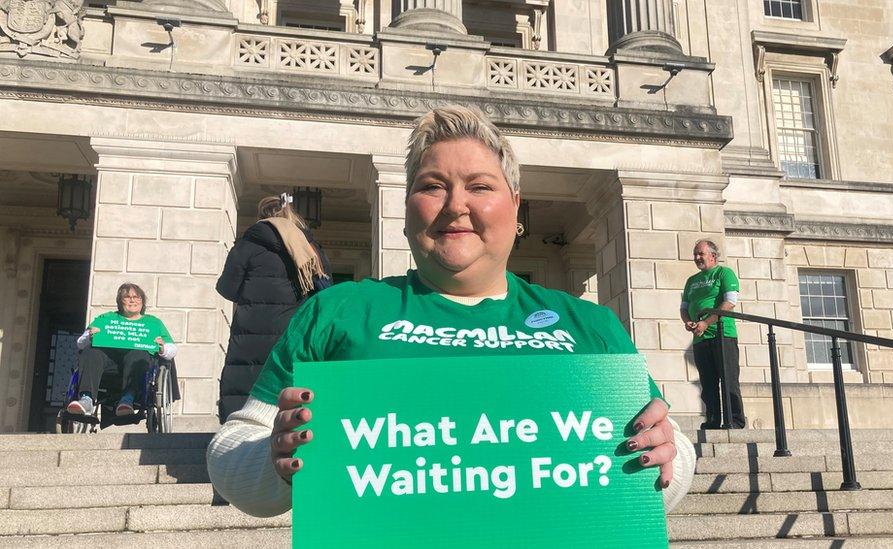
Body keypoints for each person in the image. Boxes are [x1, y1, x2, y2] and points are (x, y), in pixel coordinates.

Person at [207, 106, 695, 518]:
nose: (455, 205)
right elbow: (233, 449)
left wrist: (665, 454)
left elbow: (665, 463)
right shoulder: (337, 311)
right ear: (407, 207)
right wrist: (274, 463)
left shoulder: (590, 325)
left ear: (516, 207)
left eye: (480, 186)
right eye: (432, 186)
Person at [215, 193, 332, 423]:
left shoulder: (247, 245)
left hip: (251, 330)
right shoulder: (309, 247)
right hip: (294, 329)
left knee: (247, 381)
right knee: (289, 383)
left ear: (261, 216)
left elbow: (227, 289)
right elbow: (325, 290)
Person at [67, 283, 177, 416]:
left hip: (138, 364)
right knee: (91, 352)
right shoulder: (106, 319)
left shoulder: (153, 323)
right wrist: (89, 336)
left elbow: (172, 350)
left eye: (136, 297)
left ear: (142, 301)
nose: (132, 300)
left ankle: (127, 400)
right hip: (108, 363)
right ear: (120, 301)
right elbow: (80, 344)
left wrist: (162, 348)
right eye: (127, 297)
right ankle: (86, 399)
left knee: (137, 354)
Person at [680, 239, 746, 429]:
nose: (697, 258)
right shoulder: (691, 281)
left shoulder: (724, 273)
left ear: (713, 255)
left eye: (701, 253)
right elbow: (684, 307)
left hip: (722, 334)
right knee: (708, 383)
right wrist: (688, 322)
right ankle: (713, 420)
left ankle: (735, 420)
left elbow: (730, 303)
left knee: (728, 379)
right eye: (695, 254)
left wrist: (706, 322)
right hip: (700, 338)